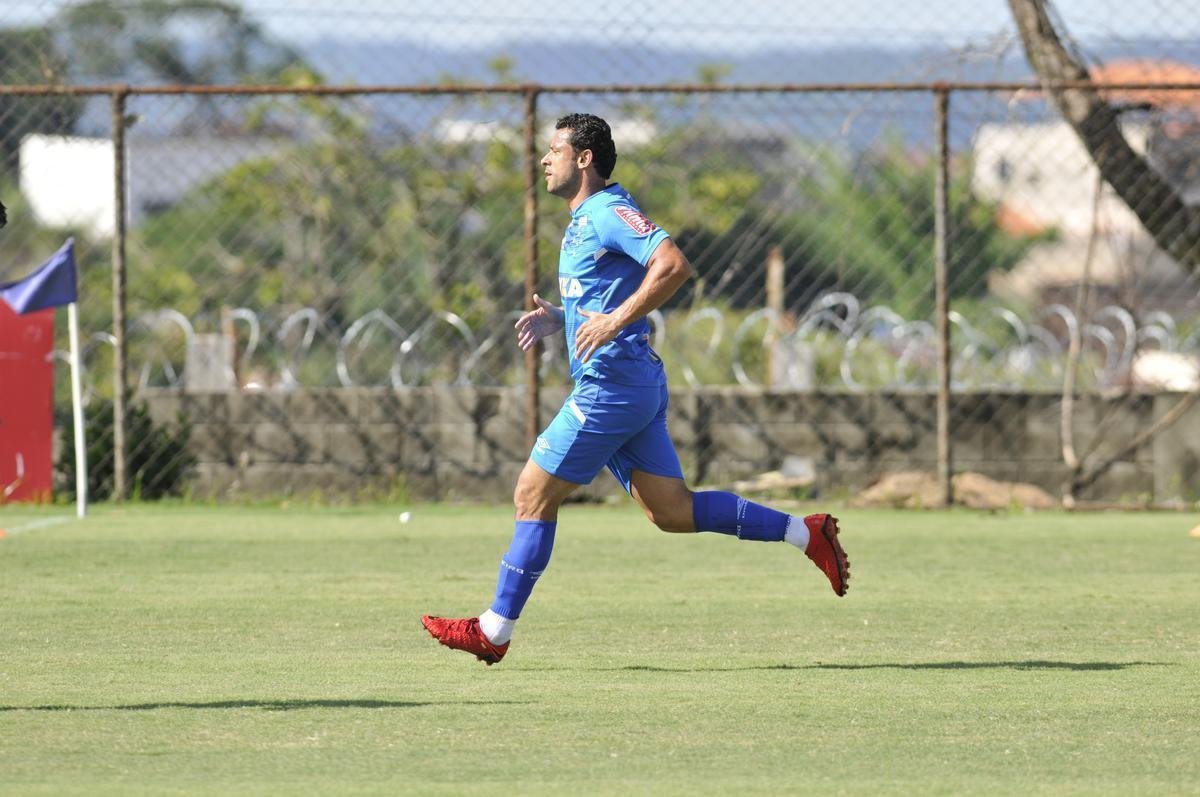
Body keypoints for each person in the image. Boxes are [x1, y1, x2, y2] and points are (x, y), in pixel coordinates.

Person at [422, 113, 849, 665]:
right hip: (630, 384)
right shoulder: (584, 219)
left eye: (555, 150)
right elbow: (604, 296)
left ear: (584, 159)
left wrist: (614, 320)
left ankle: (493, 630)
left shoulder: (606, 211)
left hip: (612, 386)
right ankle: (805, 534)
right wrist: (566, 319)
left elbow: (673, 265)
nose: (544, 159)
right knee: (671, 511)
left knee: (532, 494)